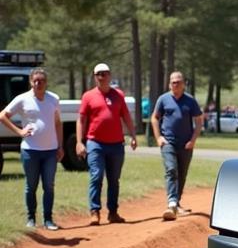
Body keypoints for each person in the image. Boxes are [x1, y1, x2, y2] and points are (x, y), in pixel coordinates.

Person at [0, 66, 63, 230]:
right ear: (30, 82)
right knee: (31, 185)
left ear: (46, 82)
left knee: (49, 185)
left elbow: (57, 123)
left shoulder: (53, 99)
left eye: (41, 81)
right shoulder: (22, 99)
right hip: (30, 150)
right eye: (35, 81)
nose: (38, 83)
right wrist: (19, 131)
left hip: (50, 151)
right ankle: (31, 218)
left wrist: (60, 146)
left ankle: (48, 219)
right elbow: (2, 116)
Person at [76, 63, 136, 224]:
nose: (102, 77)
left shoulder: (119, 95)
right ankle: (94, 211)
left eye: (105, 73)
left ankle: (113, 212)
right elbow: (81, 120)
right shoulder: (88, 96)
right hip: (95, 143)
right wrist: (79, 142)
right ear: (95, 77)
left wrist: (133, 135)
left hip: (116, 144)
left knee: (114, 179)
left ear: (110, 75)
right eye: (99, 74)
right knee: (96, 176)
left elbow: (126, 117)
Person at [151, 71, 203, 220]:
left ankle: (176, 203)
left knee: (182, 173)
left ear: (183, 84)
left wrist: (193, 139)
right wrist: (159, 137)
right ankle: (172, 203)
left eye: (178, 82)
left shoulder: (190, 101)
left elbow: (199, 120)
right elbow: (155, 118)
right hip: (168, 142)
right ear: (169, 84)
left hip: (186, 144)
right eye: (173, 82)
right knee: (171, 169)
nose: (176, 84)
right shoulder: (163, 99)